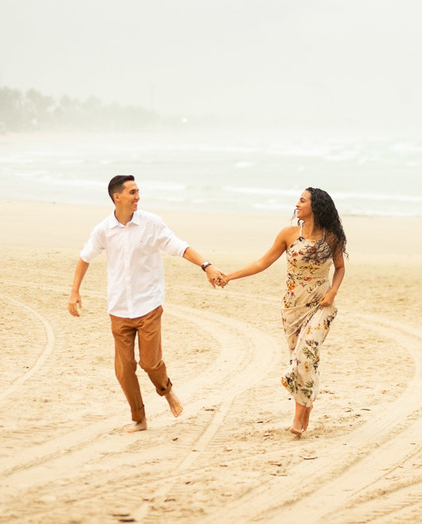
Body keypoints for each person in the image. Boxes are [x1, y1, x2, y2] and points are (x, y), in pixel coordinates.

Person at [68, 174, 226, 432]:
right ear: (116, 197)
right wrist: (74, 292)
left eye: (138, 191)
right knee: (124, 369)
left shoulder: (151, 223)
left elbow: (178, 246)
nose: (138, 197)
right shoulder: (103, 230)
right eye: (132, 192)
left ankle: (166, 391)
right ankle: (139, 419)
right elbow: (85, 257)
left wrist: (206, 265)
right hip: (118, 308)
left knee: (150, 363)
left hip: (148, 305)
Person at [221, 188, 346, 436]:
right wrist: (230, 276)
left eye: (302, 200)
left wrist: (333, 291)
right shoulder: (288, 234)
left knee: (306, 354)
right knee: (305, 362)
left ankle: (299, 417)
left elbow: (340, 268)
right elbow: (262, 262)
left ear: (316, 206)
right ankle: (306, 407)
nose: (297, 204)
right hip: (292, 307)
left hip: (321, 305)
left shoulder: (331, 238)